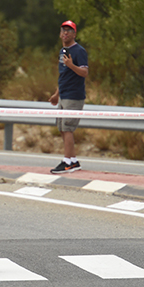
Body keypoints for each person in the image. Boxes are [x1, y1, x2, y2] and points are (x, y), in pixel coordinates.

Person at [48, 20, 89, 174]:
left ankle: (67, 162)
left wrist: (72, 65)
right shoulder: (62, 51)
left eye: (69, 31)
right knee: (62, 128)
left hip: (74, 96)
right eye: (63, 31)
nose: (65, 33)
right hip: (64, 95)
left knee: (68, 128)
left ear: (74, 34)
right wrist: (56, 94)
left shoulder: (79, 51)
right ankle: (72, 160)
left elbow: (84, 72)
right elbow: (64, 75)